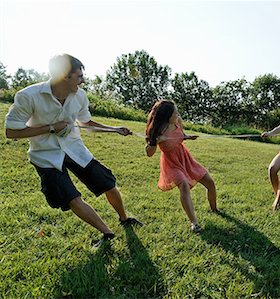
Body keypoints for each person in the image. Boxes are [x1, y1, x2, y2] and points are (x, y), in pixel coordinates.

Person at [4, 54, 142, 247]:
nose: (83, 80)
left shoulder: (80, 96)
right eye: (79, 76)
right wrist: (51, 128)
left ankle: (124, 218)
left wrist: (114, 129)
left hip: (75, 149)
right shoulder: (28, 96)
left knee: (108, 183)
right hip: (46, 155)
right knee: (71, 197)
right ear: (63, 76)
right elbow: (11, 132)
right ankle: (107, 233)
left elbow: (86, 122)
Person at [145, 100, 218, 233]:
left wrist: (187, 137)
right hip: (171, 163)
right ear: (167, 116)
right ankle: (194, 224)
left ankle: (215, 210)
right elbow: (149, 153)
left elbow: (181, 136)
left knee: (210, 182)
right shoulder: (157, 130)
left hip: (185, 157)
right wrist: (154, 142)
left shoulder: (178, 122)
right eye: (175, 113)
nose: (178, 114)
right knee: (184, 185)